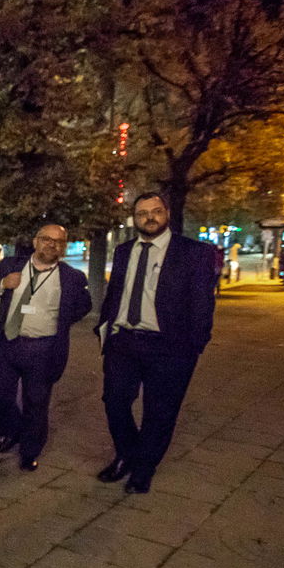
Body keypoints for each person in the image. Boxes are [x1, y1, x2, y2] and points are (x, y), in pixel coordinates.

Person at [95, 192, 217, 494]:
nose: (149, 217)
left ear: (167, 213)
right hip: (124, 342)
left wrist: (195, 344)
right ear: (134, 218)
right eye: (142, 213)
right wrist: (105, 330)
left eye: (156, 211)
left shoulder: (193, 252)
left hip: (170, 347)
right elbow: (116, 293)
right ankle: (126, 454)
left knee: (160, 412)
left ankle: (143, 468)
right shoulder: (124, 251)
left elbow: (203, 302)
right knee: (114, 402)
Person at [0, 223, 92, 471]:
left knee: (36, 402)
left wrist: (58, 321)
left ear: (63, 247)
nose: (51, 244)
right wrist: (2, 285)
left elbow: (84, 306)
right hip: (6, 344)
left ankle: (30, 450)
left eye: (58, 241)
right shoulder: (11, 265)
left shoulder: (71, 277)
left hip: (43, 348)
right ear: (35, 241)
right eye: (46, 239)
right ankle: (11, 431)